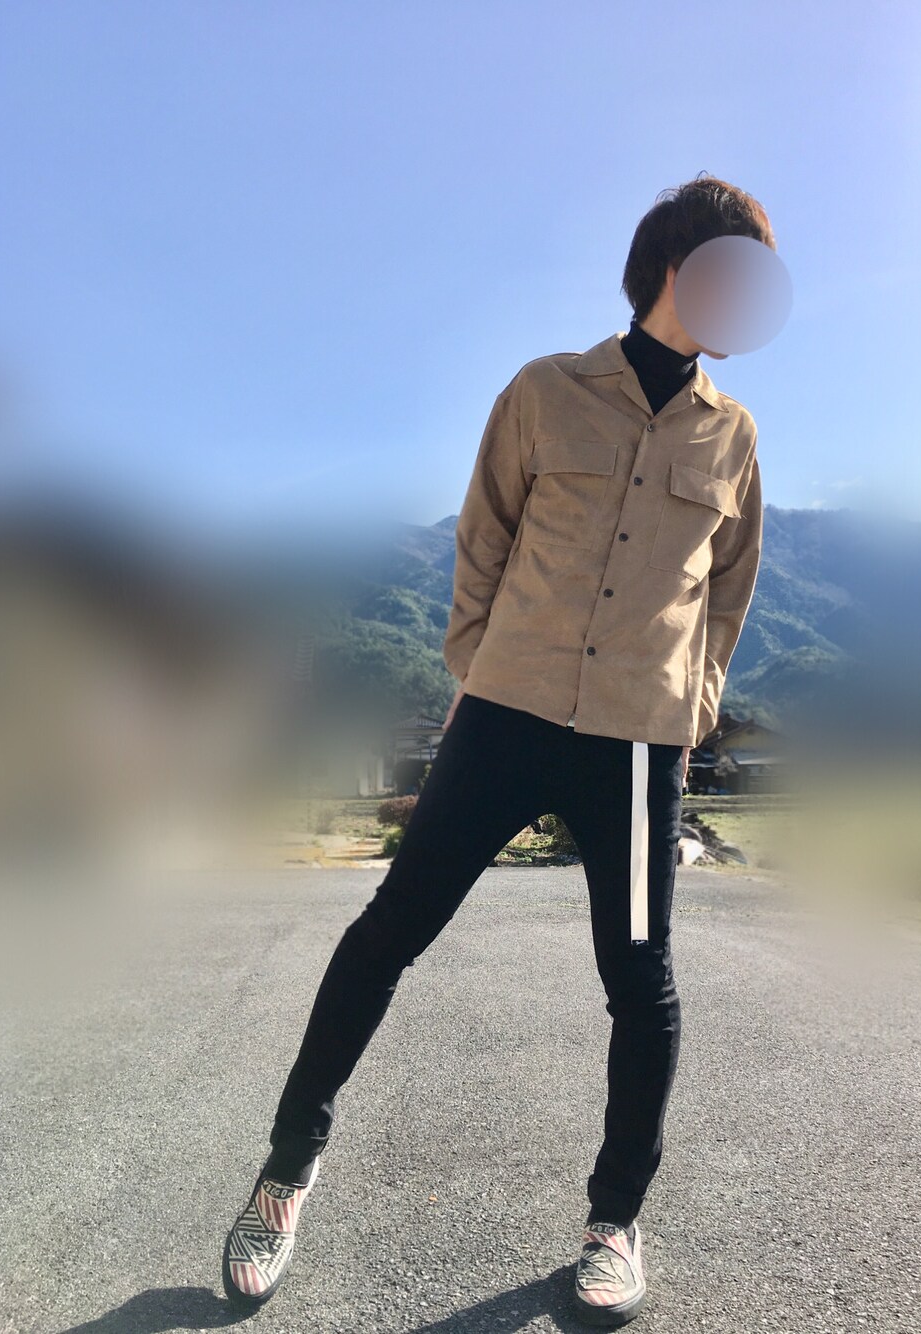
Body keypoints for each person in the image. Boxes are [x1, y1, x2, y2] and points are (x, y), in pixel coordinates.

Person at [222, 173, 770, 1326]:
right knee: (388, 932)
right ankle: (286, 1167)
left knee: (641, 982)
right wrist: (477, 665)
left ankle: (614, 1221)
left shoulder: (733, 436)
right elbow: (483, 535)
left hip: (635, 747)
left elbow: (726, 594)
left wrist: (692, 706)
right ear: (676, 269)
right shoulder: (542, 391)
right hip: (506, 721)